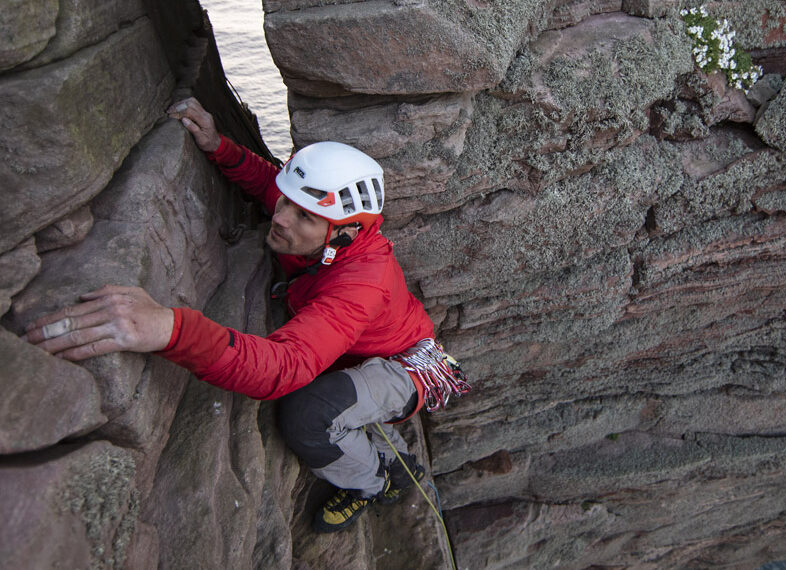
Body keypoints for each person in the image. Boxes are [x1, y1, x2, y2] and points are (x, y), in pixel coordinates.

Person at [22, 97, 469, 533]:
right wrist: (219, 145)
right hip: (363, 346)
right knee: (328, 394)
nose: (282, 219)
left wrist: (169, 328)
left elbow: (286, 368)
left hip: (408, 367)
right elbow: (269, 183)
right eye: (287, 205)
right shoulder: (321, 216)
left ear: (347, 234)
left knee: (308, 414)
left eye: (304, 217)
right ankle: (378, 455)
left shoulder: (360, 282)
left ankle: (373, 481)